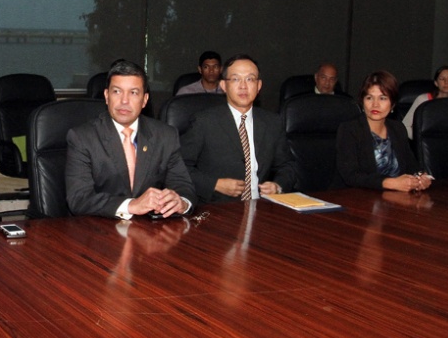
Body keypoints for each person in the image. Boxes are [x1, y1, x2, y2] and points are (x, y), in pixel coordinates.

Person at [66, 59, 195, 219]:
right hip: (99, 227)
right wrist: (131, 205)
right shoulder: (82, 137)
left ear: (144, 100)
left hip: (151, 229)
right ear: (106, 96)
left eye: (133, 93)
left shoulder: (165, 135)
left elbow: (184, 186)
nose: (124, 101)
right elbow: (78, 198)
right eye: (117, 92)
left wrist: (181, 202)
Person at [180, 54, 299, 204]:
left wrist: (278, 185)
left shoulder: (272, 122)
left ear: (259, 86)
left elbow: (288, 166)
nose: (243, 86)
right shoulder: (204, 121)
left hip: (262, 207)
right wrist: (214, 184)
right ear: (223, 85)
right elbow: (179, 166)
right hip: (218, 208)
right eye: (236, 79)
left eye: (250, 79)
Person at [336, 71, 432, 192]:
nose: (375, 104)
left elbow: (412, 166)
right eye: (369, 98)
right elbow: (350, 176)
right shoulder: (349, 129)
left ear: (393, 104)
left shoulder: (398, 128)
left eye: (382, 98)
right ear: (362, 101)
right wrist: (390, 183)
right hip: (358, 197)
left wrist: (421, 177)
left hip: (395, 198)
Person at [402, 65, 448, 137]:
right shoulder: (423, 99)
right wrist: (419, 139)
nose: (446, 82)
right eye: (442, 79)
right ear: (436, 83)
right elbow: (405, 126)